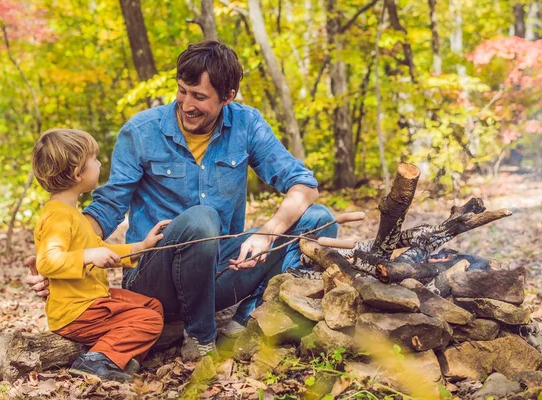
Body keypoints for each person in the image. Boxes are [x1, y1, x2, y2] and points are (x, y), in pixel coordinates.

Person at [27, 40, 337, 361]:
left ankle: (252, 316)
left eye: (199, 97)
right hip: (154, 280)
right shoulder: (141, 131)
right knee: (202, 218)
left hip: (220, 271)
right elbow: (106, 209)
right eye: (182, 91)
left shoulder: (246, 124)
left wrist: (267, 232)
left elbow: (303, 184)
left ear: (227, 97)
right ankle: (200, 339)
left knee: (317, 218)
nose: (186, 104)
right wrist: (62, 257)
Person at [31, 128, 170, 381]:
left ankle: (122, 359)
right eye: (94, 160)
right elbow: (48, 261)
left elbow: (101, 249)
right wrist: (87, 256)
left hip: (92, 299)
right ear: (77, 174)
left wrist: (143, 246)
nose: (99, 163)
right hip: (76, 310)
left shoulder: (74, 214)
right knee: (148, 320)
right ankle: (95, 362)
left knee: (152, 306)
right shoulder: (58, 215)